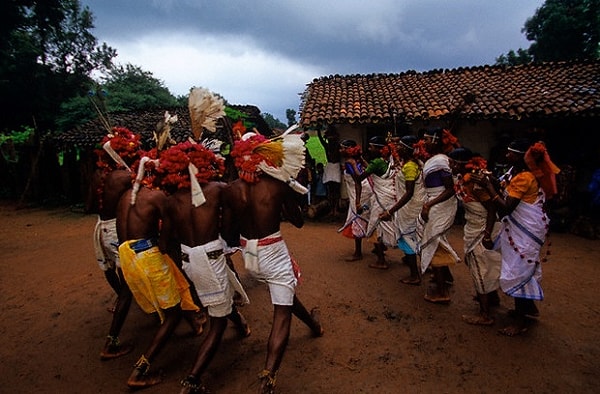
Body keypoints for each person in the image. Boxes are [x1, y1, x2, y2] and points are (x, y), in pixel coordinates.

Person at [223, 132, 324, 394]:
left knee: (284, 291)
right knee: (281, 314)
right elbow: (299, 221)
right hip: (273, 252)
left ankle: (314, 324)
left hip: (249, 255)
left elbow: (229, 231)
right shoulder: (276, 185)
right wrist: (286, 197)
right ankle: (268, 378)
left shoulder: (231, 189)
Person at [156, 142, 251, 394]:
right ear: (205, 163)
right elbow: (231, 230)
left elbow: (165, 243)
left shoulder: (170, 201)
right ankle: (192, 381)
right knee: (216, 322)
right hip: (211, 257)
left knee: (220, 296)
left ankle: (240, 325)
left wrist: (186, 260)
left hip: (189, 261)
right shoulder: (219, 190)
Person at [116, 156, 203, 389]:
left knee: (175, 286)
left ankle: (194, 323)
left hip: (126, 256)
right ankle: (139, 370)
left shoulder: (125, 197)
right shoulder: (157, 197)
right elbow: (166, 240)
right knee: (172, 313)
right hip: (147, 256)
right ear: (156, 176)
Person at [472, 139, 559, 336]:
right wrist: (490, 181)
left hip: (525, 230)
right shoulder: (514, 173)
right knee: (523, 267)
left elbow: (506, 207)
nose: (507, 156)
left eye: (511, 153)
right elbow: (504, 189)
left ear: (521, 157)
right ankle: (528, 309)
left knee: (519, 270)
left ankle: (520, 322)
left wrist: (489, 187)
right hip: (521, 229)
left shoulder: (525, 178)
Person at [448, 147, 501, 325]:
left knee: (480, 267)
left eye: (453, 162)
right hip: (474, 226)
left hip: (483, 228)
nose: (450, 165)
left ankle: (485, 315)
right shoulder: (463, 178)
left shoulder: (476, 183)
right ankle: (492, 298)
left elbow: (492, 209)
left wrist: (487, 234)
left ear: (463, 164)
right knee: (483, 264)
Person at [416, 128, 461, 304]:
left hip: (440, 204)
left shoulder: (441, 161)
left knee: (434, 242)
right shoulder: (433, 161)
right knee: (438, 240)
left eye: (426, 139)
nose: (423, 142)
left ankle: (442, 292)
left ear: (435, 141)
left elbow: (450, 189)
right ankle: (445, 277)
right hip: (434, 202)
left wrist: (429, 204)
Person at [380, 135, 426, 284]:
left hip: (410, 209)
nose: (397, 148)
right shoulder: (407, 164)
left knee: (408, 239)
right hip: (407, 208)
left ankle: (414, 275)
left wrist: (391, 211)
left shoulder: (410, 167)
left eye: (400, 146)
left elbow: (409, 192)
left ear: (407, 149)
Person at [355, 135, 398, 269]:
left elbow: (360, 177)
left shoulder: (376, 163)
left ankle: (381, 260)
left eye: (371, 147)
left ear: (379, 149)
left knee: (374, 226)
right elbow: (374, 171)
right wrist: (362, 161)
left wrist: (352, 165)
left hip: (381, 200)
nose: (369, 149)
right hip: (389, 199)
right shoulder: (386, 162)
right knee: (383, 226)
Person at [338, 139, 371, 261]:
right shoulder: (358, 160)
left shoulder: (350, 162)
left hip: (360, 193)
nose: (340, 150)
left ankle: (358, 253)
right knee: (368, 218)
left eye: (342, 148)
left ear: (349, 149)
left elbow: (358, 180)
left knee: (357, 219)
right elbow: (368, 169)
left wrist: (357, 201)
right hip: (366, 191)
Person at [317, 125, 342, 217]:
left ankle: (334, 209)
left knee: (334, 191)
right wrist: (318, 130)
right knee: (332, 191)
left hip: (334, 168)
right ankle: (333, 210)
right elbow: (320, 139)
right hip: (332, 168)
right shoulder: (330, 146)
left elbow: (321, 139)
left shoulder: (335, 146)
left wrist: (318, 130)